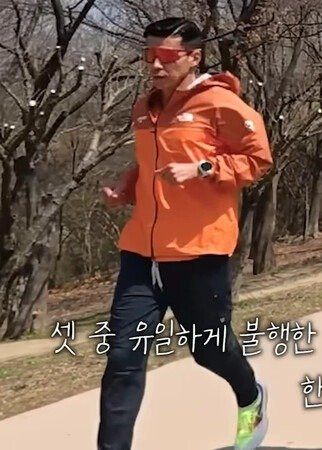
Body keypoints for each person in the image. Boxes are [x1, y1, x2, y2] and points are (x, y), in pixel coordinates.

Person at [98, 18, 273, 450]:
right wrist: (127, 187)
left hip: (198, 251)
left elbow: (258, 160)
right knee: (122, 356)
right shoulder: (145, 107)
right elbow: (149, 163)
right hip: (142, 252)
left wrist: (204, 168)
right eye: (149, 55)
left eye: (167, 56)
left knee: (209, 350)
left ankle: (250, 395)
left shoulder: (222, 104)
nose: (155, 65)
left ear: (194, 57)